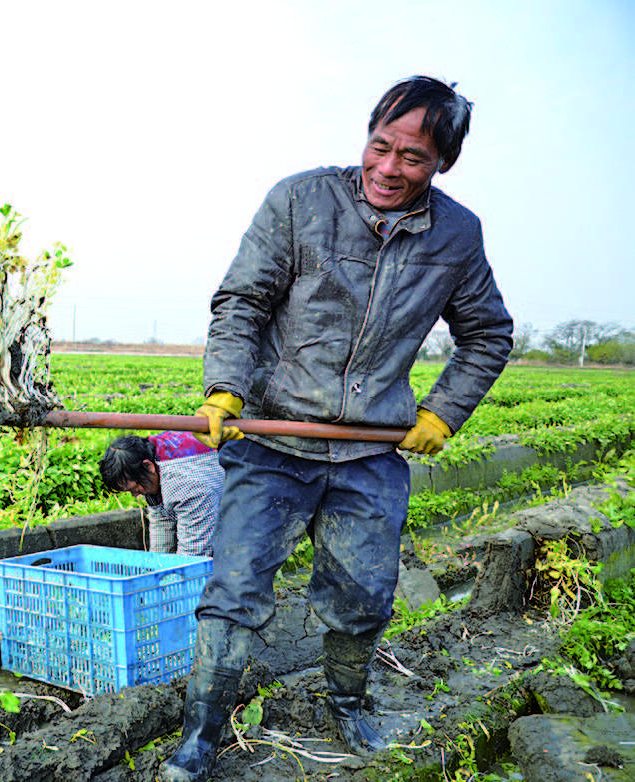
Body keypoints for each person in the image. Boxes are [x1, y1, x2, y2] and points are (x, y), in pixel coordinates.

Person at [159, 76, 513, 782]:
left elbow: (487, 334)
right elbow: (243, 301)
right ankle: (200, 735)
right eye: (381, 146)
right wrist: (226, 385)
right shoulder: (300, 200)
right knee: (232, 596)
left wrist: (444, 410)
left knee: (363, 597)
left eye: (413, 159)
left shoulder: (456, 234)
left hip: (368, 453)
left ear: (442, 163)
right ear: (368, 133)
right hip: (274, 440)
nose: (389, 168)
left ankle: (346, 704)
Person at [99, 432, 222, 557]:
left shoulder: (181, 484)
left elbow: (193, 552)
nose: (136, 495)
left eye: (135, 488)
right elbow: (161, 520)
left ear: (148, 466)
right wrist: (155, 567)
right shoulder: (150, 461)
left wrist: (176, 574)